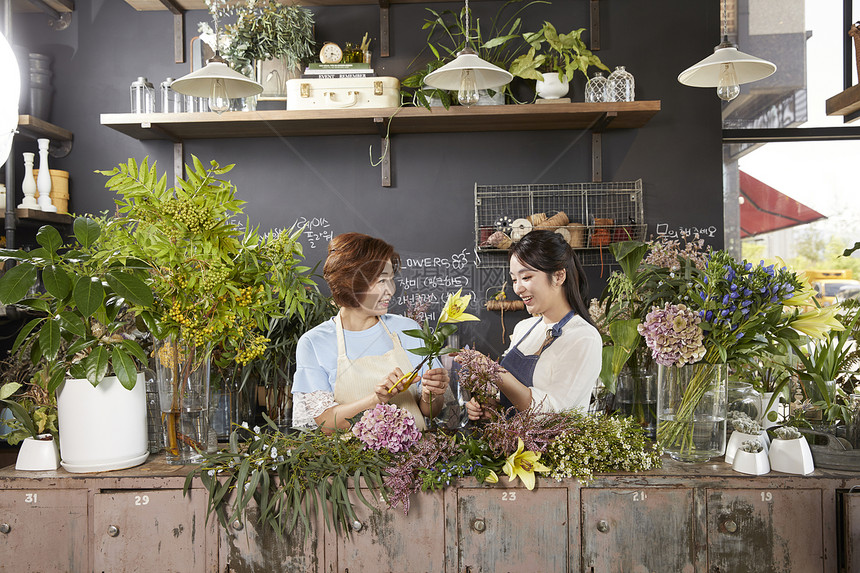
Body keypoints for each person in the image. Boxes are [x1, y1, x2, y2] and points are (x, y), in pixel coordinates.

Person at [292, 233, 449, 432]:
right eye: (381, 281)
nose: (391, 290)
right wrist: (376, 400)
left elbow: (431, 412)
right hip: (353, 462)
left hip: (417, 459)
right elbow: (326, 424)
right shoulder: (314, 342)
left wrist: (431, 394)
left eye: (391, 280)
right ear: (350, 282)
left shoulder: (409, 329)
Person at [465, 230, 602, 419]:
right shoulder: (524, 328)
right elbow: (515, 406)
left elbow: (553, 413)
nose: (518, 288)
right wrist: (493, 409)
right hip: (516, 447)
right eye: (514, 279)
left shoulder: (584, 337)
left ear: (559, 276)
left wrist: (494, 371)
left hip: (554, 446)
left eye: (526, 277)